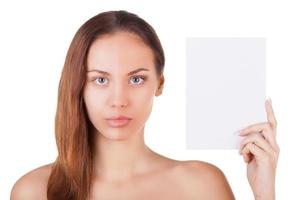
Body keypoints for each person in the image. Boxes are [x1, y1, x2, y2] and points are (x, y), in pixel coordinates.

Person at [10, 10, 279, 200]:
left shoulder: (201, 185)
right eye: (100, 80)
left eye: (136, 79)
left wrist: (264, 194)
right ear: (78, 85)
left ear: (159, 84)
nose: (118, 100)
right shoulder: (34, 191)